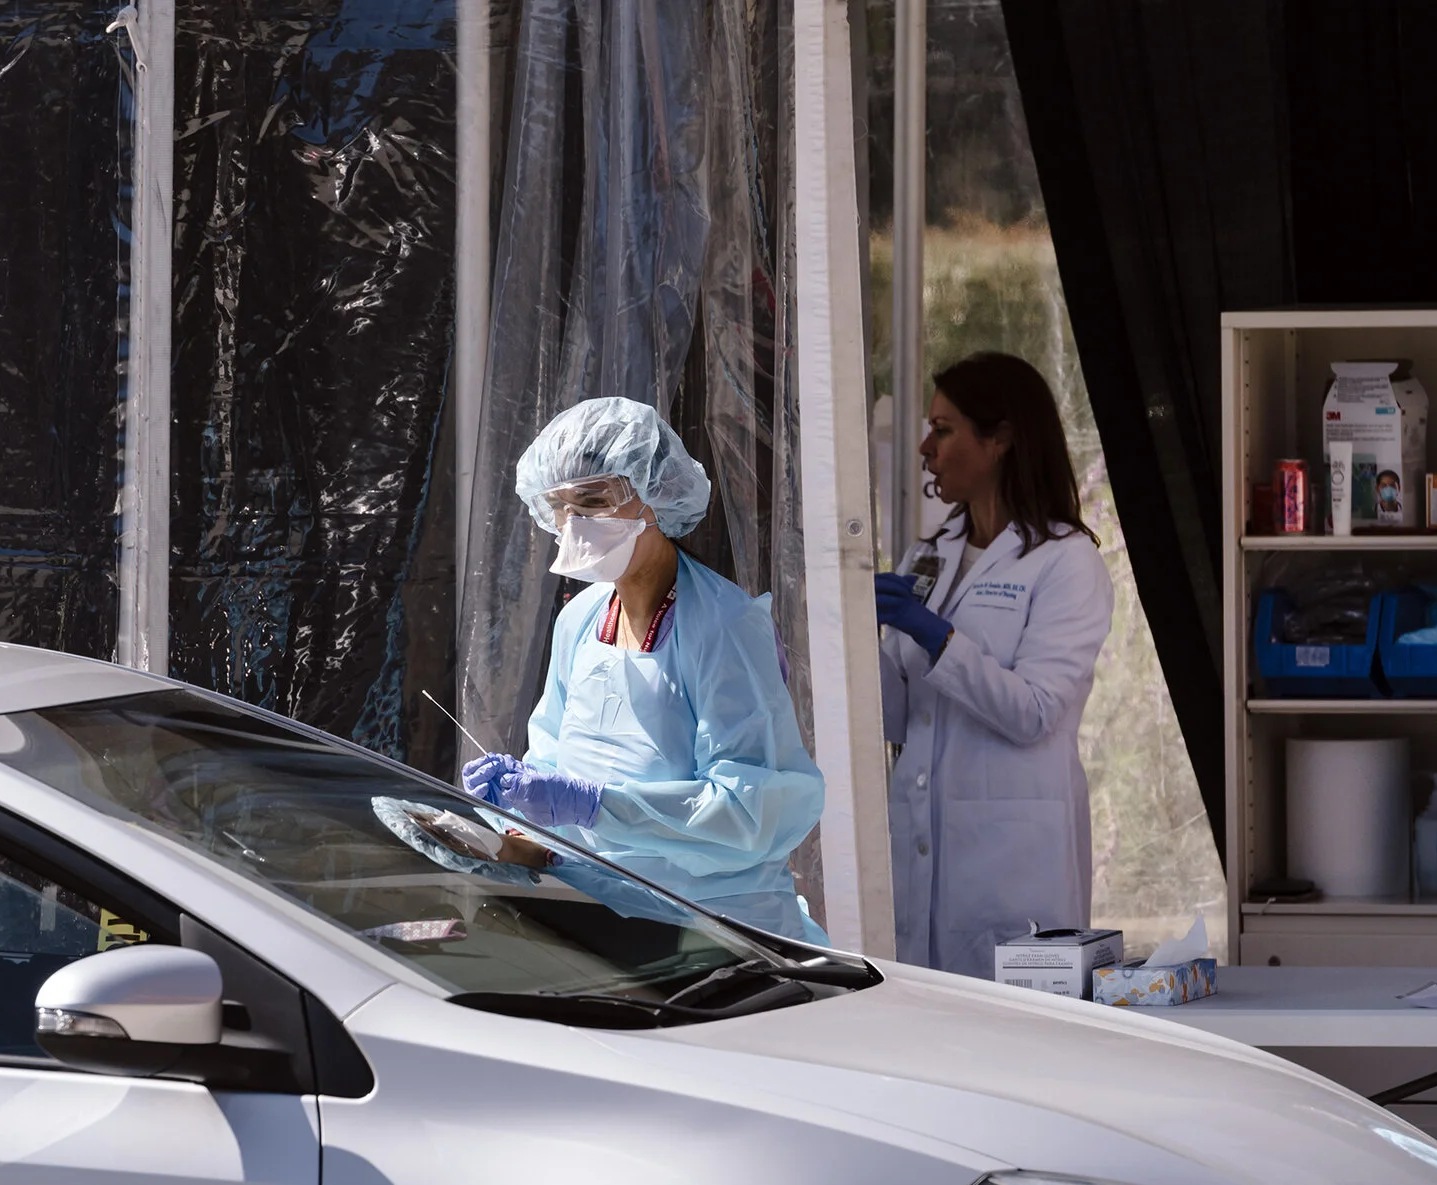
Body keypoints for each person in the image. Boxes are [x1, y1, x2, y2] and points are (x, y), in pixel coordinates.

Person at [461, 396, 829, 945]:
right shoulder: (581, 620)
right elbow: (555, 758)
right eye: (562, 507)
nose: (576, 523)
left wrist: (593, 805)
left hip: (714, 934)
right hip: (599, 920)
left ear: (655, 496)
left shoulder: (723, 628)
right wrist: (518, 822)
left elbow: (749, 813)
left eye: (594, 500)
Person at [874, 352, 1112, 976]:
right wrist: (830, 651)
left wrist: (935, 636)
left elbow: (1034, 713)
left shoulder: (1065, 562)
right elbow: (898, 720)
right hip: (921, 856)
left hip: (1013, 870)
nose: (926, 446)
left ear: (1002, 438)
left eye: (944, 429)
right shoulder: (928, 556)